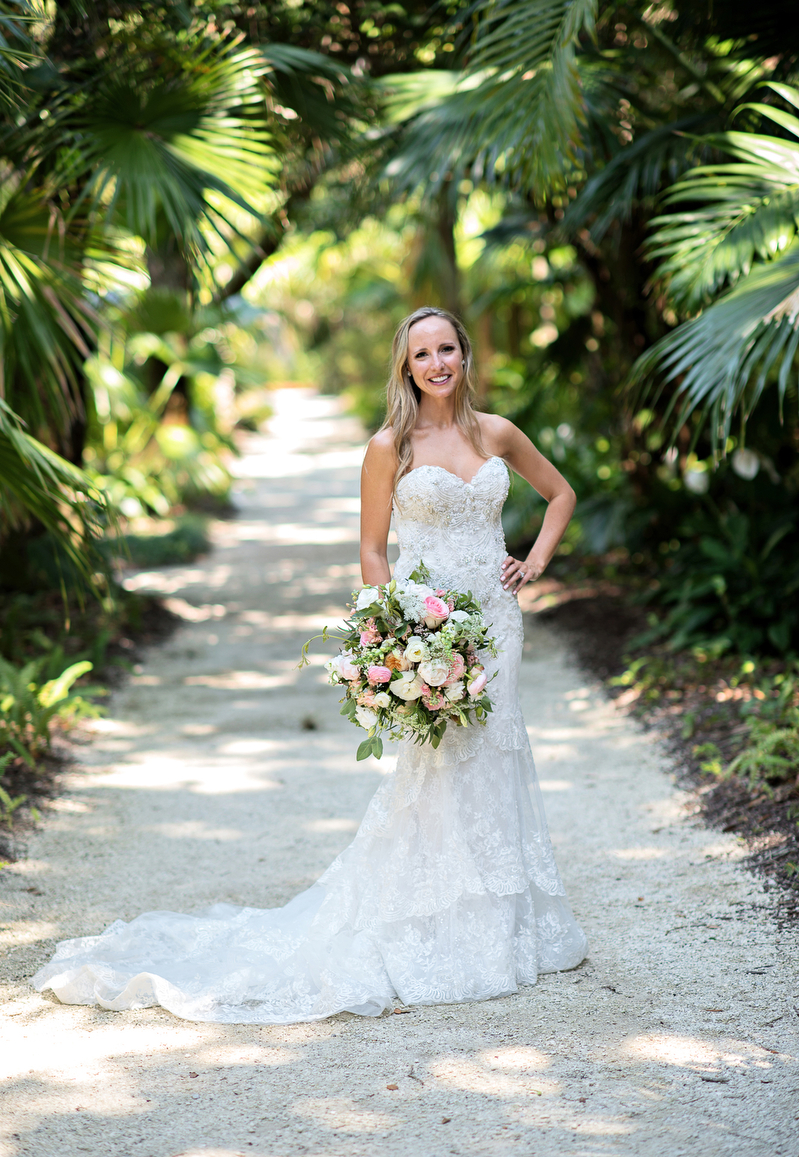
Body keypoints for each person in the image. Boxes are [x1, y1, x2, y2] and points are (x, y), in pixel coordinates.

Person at [32, 307, 587, 1024]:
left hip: (496, 623)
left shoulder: (499, 433)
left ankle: (499, 922)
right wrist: (388, 635)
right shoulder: (390, 445)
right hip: (429, 628)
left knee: (494, 752)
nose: (437, 363)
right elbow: (371, 549)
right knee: (439, 764)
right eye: (422, 353)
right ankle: (429, 918)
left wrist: (534, 561)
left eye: (446, 348)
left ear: (464, 355)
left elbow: (561, 494)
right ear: (405, 366)